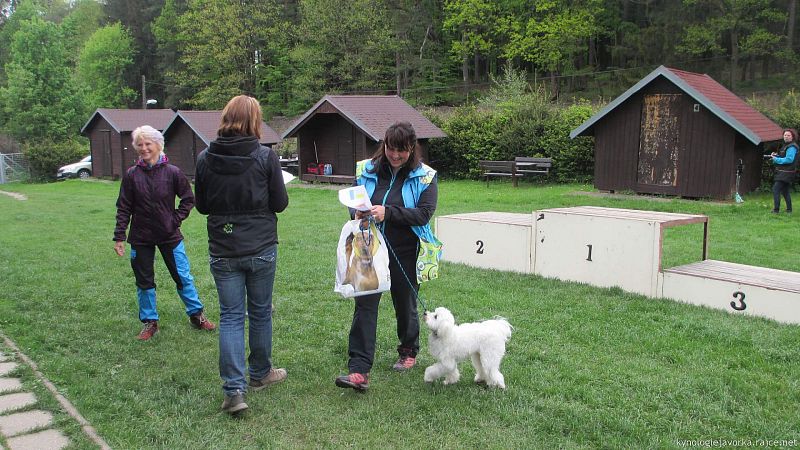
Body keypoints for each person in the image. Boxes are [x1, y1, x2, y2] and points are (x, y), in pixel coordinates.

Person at [194, 95, 289, 415]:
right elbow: (280, 203)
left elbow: (202, 206)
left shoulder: (205, 158)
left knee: (231, 317)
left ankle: (234, 390)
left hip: (224, 249)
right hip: (261, 248)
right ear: (254, 121)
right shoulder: (265, 157)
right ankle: (261, 374)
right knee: (260, 312)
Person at [335, 121, 438, 392]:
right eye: (391, 149)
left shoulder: (425, 176)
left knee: (405, 304)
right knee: (365, 305)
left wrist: (389, 212)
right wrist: (357, 212)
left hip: (405, 249)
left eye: (401, 151)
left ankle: (408, 349)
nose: (395, 155)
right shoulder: (366, 170)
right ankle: (358, 369)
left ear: (412, 149)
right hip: (368, 247)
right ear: (384, 145)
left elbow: (425, 213)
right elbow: (355, 201)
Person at [113, 125, 215, 341]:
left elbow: (188, 199)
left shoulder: (172, 173)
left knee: (183, 277)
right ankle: (150, 322)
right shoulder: (132, 175)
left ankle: (196, 315)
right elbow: (124, 207)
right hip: (141, 237)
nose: (143, 148)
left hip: (169, 235)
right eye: (139, 145)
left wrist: (174, 219)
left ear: (158, 145)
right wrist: (119, 236)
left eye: (148, 144)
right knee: (144, 280)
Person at [769, 128, 799, 214]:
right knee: (785, 191)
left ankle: (776, 210)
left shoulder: (792, 147)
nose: (786, 137)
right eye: (785, 135)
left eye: (788, 135)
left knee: (776, 189)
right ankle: (789, 210)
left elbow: (789, 159)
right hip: (786, 172)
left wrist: (776, 160)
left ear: (792, 137)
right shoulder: (787, 145)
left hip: (786, 173)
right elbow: (783, 157)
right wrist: (776, 156)